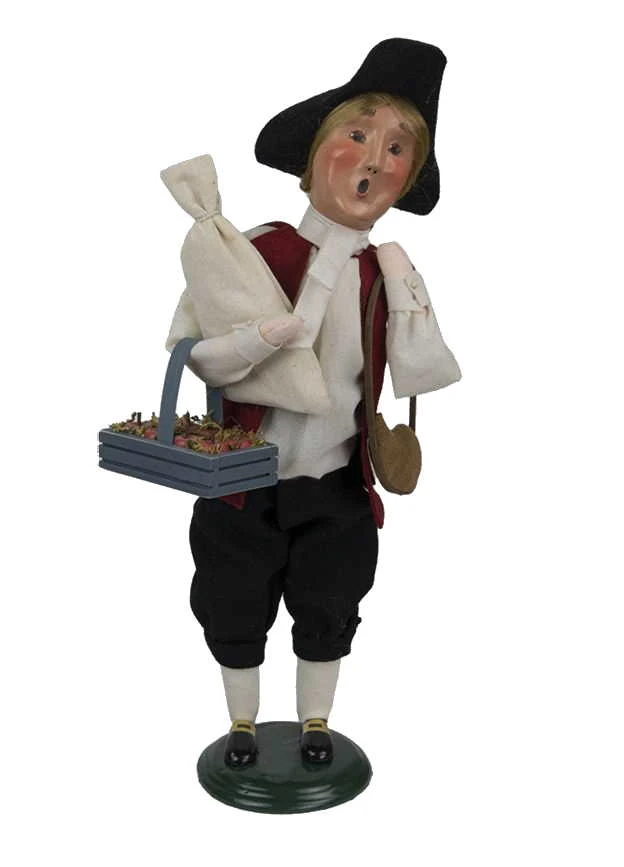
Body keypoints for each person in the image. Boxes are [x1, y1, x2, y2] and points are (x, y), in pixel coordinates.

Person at [166, 38, 461, 767]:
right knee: (233, 598)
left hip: (336, 484)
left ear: (407, 179)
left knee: (332, 599)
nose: (374, 161)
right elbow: (195, 353)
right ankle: (241, 723)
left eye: (397, 149)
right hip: (243, 483)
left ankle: (316, 722)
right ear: (314, 153)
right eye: (357, 135)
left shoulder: (386, 273)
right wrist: (259, 338)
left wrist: (406, 290)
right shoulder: (252, 252)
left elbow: (421, 371)